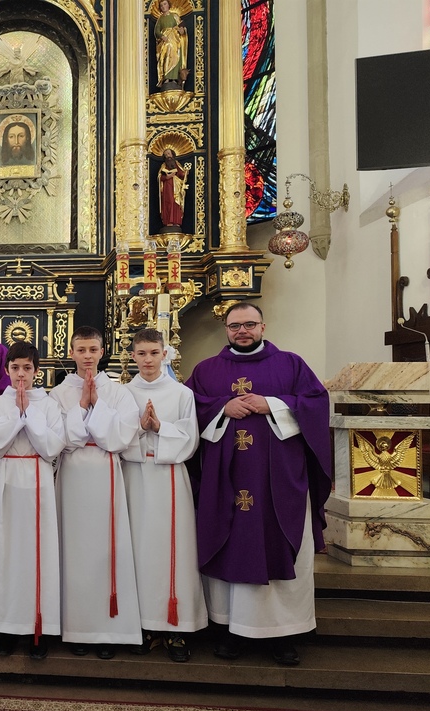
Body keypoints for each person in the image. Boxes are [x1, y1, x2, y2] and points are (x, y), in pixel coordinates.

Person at [185, 303, 331, 666]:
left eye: (249, 324)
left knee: (277, 542)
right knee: (229, 542)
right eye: (235, 325)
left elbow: (316, 402)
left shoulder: (291, 364)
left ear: (263, 326)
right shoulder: (206, 370)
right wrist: (222, 408)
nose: (242, 331)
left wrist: (273, 404)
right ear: (226, 329)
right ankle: (229, 630)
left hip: (279, 480)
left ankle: (284, 633)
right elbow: (188, 407)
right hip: (225, 480)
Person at [49, 327, 142, 659]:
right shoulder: (58, 394)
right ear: (71, 353)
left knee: (106, 550)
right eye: (81, 350)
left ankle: (108, 630)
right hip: (72, 474)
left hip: (105, 471)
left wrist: (95, 406)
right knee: (74, 550)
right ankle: (77, 627)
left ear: (103, 352)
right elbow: (60, 439)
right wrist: (81, 406)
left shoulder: (119, 392)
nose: (87, 356)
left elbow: (120, 438)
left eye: (92, 349)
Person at [121, 328, 206, 662]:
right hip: (134, 474)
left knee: (173, 550)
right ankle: (143, 625)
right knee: (138, 548)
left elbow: (191, 439)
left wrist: (159, 427)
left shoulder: (181, 393)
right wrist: (140, 428)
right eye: (141, 354)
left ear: (165, 354)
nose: (148, 360)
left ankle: (175, 627)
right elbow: (115, 436)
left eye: (154, 353)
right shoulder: (123, 393)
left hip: (169, 475)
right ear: (132, 356)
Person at [0, 341, 65, 659]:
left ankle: (38, 628)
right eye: (15, 368)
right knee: (7, 554)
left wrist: (28, 413)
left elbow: (52, 447)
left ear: (36, 371)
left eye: (27, 368)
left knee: (38, 555)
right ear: (7, 370)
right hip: (6, 478)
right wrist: (17, 416)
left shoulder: (49, 405)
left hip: (37, 478)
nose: (21, 374)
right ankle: (6, 628)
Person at [154, 0, 188, 88]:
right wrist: (162, 36)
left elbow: (182, 29)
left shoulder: (175, 16)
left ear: (168, 5)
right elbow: (156, 31)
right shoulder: (160, 19)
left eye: (165, 4)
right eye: (161, 5)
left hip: (175, 40)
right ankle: (166, 78)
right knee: (166, 55)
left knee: (175, 55)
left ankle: (174, 78)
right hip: (165, 41)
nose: (163, 6)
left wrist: (181, 30)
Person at [158, 149, 188, 230]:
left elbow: (181, 174)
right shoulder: (164, 165)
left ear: (172, 154)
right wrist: (167, 177)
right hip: (167, 188)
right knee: (169, 203)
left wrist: (185, 173)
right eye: (166, 155)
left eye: (168, 153)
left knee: (176, 203)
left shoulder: (177, 164)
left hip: (177, 187)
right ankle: (168, 221)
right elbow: (159, 177)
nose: (167, 156)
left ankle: (176, 221)